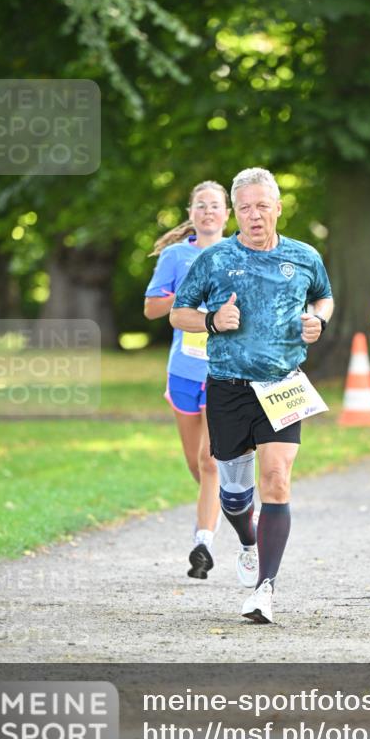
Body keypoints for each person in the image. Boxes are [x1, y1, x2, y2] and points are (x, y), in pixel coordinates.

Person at [171, 167, 333, 624]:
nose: (255, 215)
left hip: (282, 383)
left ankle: (265, 588)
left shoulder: (304, 256)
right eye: (245, 207)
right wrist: (210, 321)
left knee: (277, 479)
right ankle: (246, 539)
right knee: (235, 495)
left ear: (278, 207)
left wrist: (318, 319)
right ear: (235, 212)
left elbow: (324, 297)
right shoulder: (215, 259)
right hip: (227, 386)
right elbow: (177, 315)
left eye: (263, 205)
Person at [144, 181, 231, 578]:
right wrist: (184, 299)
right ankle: (222, 504)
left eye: (216, 205)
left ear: (227, 214)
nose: (209, 211)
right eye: (201, 205)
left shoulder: (238, 254)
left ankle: (203, 543)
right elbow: (150, 309)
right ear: (191, 213)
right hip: (183, 369)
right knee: (196, 467)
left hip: (224, 370)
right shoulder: (176, 255)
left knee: (210, 460)